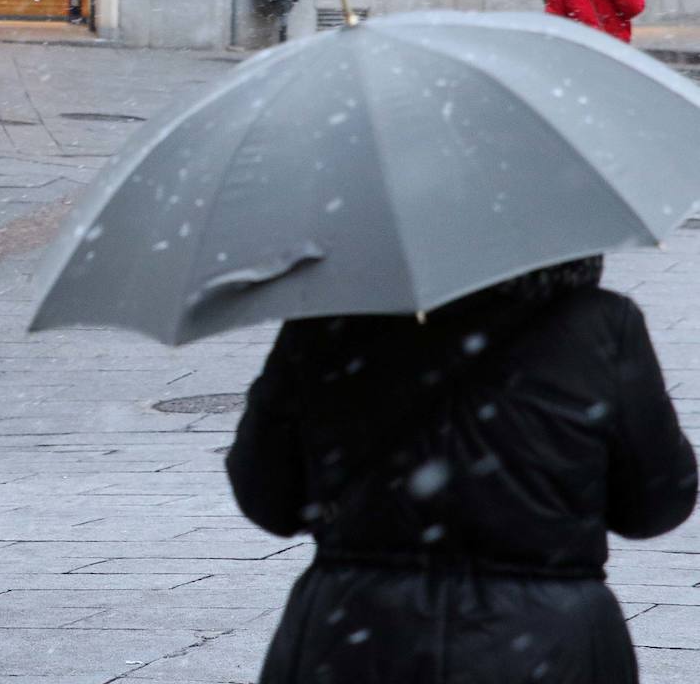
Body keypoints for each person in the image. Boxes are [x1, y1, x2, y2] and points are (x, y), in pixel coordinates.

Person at [227, 257, 697, 684]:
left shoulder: (324, 324)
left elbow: (267, 498)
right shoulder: (602, 324)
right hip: (549, 644)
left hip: (355, 636)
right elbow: (655, 505)